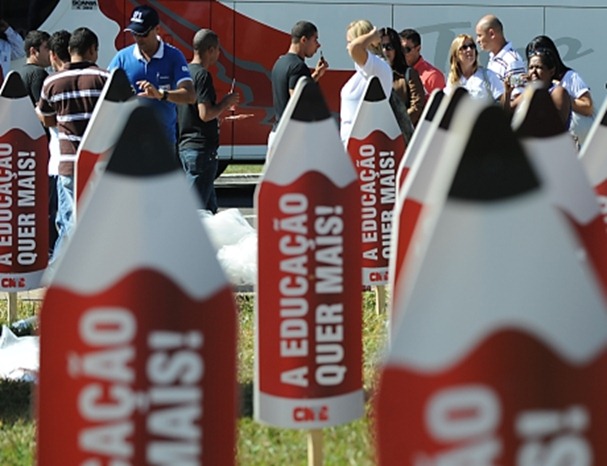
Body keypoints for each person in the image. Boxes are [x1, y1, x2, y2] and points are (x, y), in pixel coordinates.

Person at [36, 27, 109, 261]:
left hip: (68, 165)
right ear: (92, 50)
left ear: (69, 50)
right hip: (99, 164)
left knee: (69, 224)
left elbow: (46, 117)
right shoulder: (105, 79)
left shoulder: (52, 82)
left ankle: (63, 278)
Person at [108, 5, 195, 149]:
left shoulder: (174, 56)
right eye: (135, 34)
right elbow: (105, 92)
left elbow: (190, 96)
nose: (138, 39)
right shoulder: (122, 58)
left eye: (143, 34)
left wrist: (160, 94)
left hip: (163, 145)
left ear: (157, 30)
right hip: (129, 144)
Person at [177, 29, 239, 214]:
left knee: (210, 210)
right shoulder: (203, 76)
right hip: (201, 149)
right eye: (218, 50)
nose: (219, 54)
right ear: (210, 50)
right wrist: (225, 103)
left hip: (185, 145)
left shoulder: (184, 71)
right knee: (195, 210)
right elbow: (205, 113)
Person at [525, 35, 594, 146]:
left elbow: (588, 106)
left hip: (580, 140)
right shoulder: (535, 84)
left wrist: (563, 97)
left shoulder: (570, 77)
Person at [269, 20, 328, 149]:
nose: (318, 45)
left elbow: (295, 90)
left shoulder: (280, 62)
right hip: (291, 137)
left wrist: (316, 76)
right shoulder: (298, 67)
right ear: (303, 40)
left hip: (277, 131)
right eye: (315, 39)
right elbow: (298, 101)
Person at [340, 19, 392, 143]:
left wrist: (372, 36)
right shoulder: (364, 71)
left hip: (364, 144)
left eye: (350, 41)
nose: (347, 47)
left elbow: (355, 49)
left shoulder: (376, 66)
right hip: (352, 143)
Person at [509, 48, 572, 132]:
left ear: (551, 71)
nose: (534, 72)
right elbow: (507, 111)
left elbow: (556, 124)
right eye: (531, 68)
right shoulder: (529, 92)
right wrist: (507, 92)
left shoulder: (558, 91)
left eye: (539, 67)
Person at [380, 27, 426, 127]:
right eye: (381, 47)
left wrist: (397, 125)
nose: (384, 51)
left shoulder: (408, 73)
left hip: (402, 135)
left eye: (389, 47)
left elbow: (417, 106)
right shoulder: (373, 75)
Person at [445, 34, 504, 102]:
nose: (469, 49)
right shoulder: (452, 80)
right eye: (464, 47)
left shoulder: (487, 76)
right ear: (456, 55)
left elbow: (503, 103)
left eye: (472, 46)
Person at [475, 14, 525, 81]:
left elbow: (518, 90)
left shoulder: (512, 61)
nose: (477, 40)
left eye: (480, 35)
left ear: (492, 34)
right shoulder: (493, 58)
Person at [399, 28, 446, 98]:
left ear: (418, 49)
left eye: (406, 50)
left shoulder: (432, 76)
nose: (402, 53)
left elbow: (439, 107)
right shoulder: (394, 72)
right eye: (399, 49)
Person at [16, 30, 50, 105]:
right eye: (47, 48)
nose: (51, 52)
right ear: (33, 51)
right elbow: (44, 109)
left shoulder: (19, 73)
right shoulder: (38, 73)